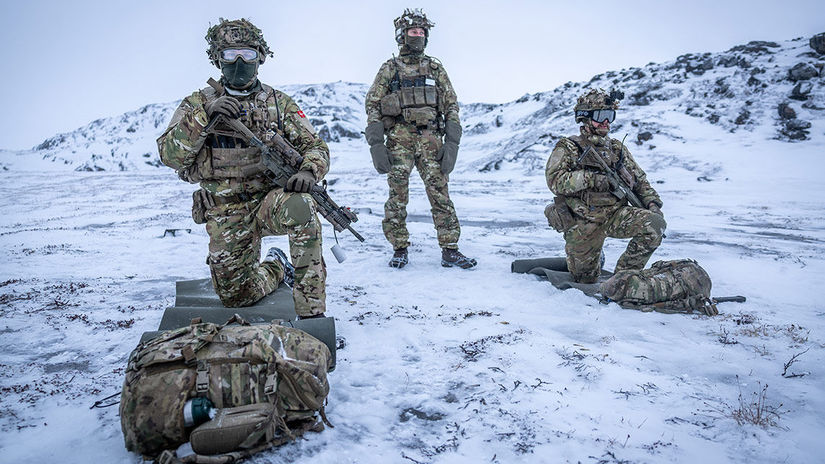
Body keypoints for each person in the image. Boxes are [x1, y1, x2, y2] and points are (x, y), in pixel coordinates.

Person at [157, 18, 328, 319]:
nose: (239, 62)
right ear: (217, 59)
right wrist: (204, 116)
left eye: (247, 54)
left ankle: (312, 314)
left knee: (303, 206)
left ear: (260, 57)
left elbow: (316, 146)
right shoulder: (197, 103)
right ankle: (276, 265)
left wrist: (308, 171)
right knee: (237, 297)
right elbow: (170, 156)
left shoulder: (278, 104)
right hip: (225, 210)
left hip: (270, 202)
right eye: (230, 54)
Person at [364, 8, 477, 269]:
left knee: (440, 194)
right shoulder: (389, 68)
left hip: (431, 139)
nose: (418, 35)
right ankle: (399, 248)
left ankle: (450, 249)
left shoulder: (435, 68)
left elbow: (451, 104)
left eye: (421, 32)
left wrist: (452, 143)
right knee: (397, 195)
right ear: (402, 35)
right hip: (399, 138)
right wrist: (376, 144)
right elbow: (373, 104)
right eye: (413, 31)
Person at [545, 89, 666, 283]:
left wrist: (652, 204)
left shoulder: (616, 148)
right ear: (585, 118)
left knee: (655, 225)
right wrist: (591, 179)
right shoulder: (569, 147)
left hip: (615, 215)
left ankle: (623, 279)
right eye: (601, 116)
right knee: (584, 279)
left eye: (610, 116)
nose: (606, 122)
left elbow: (640, 180)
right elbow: (555, 181)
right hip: (584, 221)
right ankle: (594, 259)